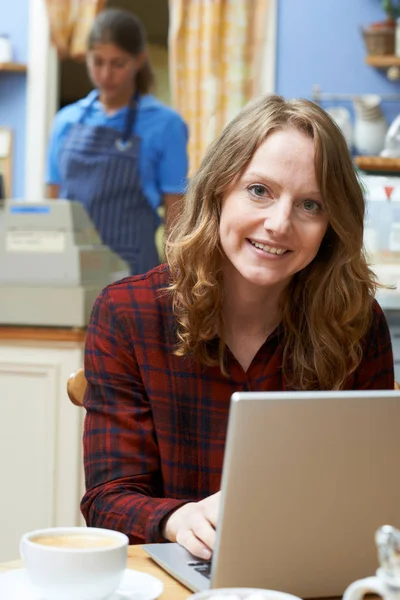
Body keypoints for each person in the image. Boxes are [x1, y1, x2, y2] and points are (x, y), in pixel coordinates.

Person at [81, 94, 394, 560]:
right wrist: (175, 518)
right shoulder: (129, 313)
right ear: (218, 189)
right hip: (177, 575)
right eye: (259, 190)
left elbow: (374, 498)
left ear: (333, 224)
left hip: (306, 576)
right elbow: (107, 499)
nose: (279, 223)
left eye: (311, 204)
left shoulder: (357, 324)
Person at [46, 8, 188, 275]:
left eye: (118, 63)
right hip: (70, 268)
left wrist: (176, 278)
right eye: (97, 62)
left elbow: (176, 214)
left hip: (133, 269)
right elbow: (53, 203)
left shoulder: (166, 125)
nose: (106, 74)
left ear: (139, 60)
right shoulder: (66, 121)